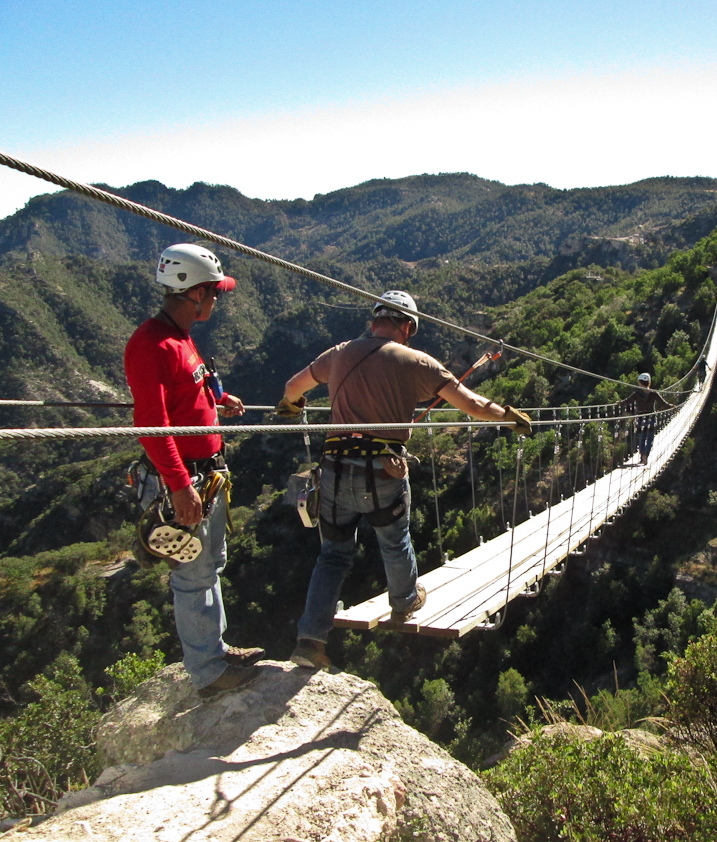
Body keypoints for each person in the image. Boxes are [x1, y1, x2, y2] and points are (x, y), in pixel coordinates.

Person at [278, 290, 532, 670]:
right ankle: (405, 601)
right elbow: (472, 405)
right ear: (408, 327)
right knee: (394, 541)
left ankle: (310, 641)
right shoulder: (419, 362)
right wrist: (509, 416)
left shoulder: (338, 353)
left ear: (374, 320)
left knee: (332, 556)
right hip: (383, 470)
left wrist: (290, 405)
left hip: (334, 468)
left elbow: (294, 387)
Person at [124, 243, 264, 699]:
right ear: (195, 292)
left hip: (206, 474)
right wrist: (180, 486)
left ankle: (217, 650)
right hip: (185, 478)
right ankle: (207, 671)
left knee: (211, 564)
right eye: (214, 292)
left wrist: (218, 399)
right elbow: (151, 426)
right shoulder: (150, 345)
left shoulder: (180, 337)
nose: (218, 300)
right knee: (193, 574)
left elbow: (188, 389)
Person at [618, 372, 674, 465]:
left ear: (640, 383)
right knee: (650, 438)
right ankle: (646, 456)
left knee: (641, 439)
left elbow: (626, 402)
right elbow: (664, 404)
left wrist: (619, 403)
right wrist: (672, 406)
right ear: (649, 382)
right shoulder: (653, 393)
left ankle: (642, 456)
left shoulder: (636, 394)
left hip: (640, 418)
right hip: (651, 418)